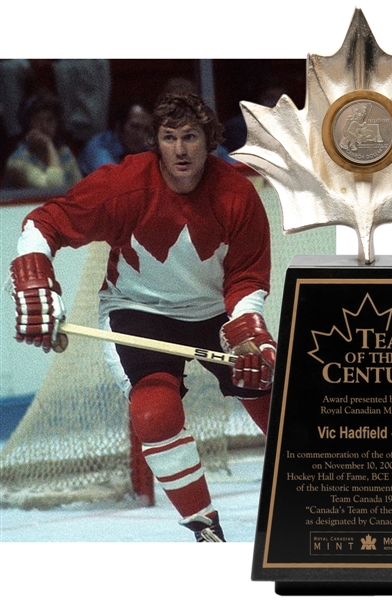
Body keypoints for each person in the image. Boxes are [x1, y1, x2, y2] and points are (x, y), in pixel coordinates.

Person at [9, 92, 276, 542]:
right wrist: (33, 276)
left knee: (265, 386)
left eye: (190, 136)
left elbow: (247, 276)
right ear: (156, 142)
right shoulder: (123, 185)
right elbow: (44, 222)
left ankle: (329, 491)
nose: (180, 149)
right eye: (169, 137)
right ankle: (207, 531)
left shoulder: (237, 194)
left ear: (209, 139)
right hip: (138, 311)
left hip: (214, 310)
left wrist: (250, 330)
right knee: (154, 414)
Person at [3, 91, 82, 189]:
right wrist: (49, 145)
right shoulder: (17, 162)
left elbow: (80, 187)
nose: (44, 126)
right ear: (28, 124)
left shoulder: (64, 152)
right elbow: (53, 189)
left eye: (50, 120)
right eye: (38, 120)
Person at [78, 102, 153, 176]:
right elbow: (116, 183)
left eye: (146, 130)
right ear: (119, 126)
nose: (141, 135)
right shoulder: (100, 149)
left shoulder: (143, 147)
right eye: (135, 127)